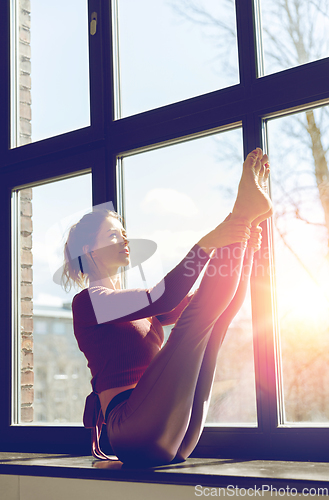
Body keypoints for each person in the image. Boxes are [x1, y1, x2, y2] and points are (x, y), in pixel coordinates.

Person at [61, 148, 272, 466]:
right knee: (200, 318)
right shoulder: (88, 303)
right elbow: (164, 297)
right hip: (130, 427)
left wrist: (242, 247)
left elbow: (208, 301)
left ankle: (243, 218)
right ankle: (241, 213)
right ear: (90, 250)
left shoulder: (130, 308)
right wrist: (206, 244)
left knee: (215, 318)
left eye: (125, 234)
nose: (126, 240)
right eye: (114, 235)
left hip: (171, 429)